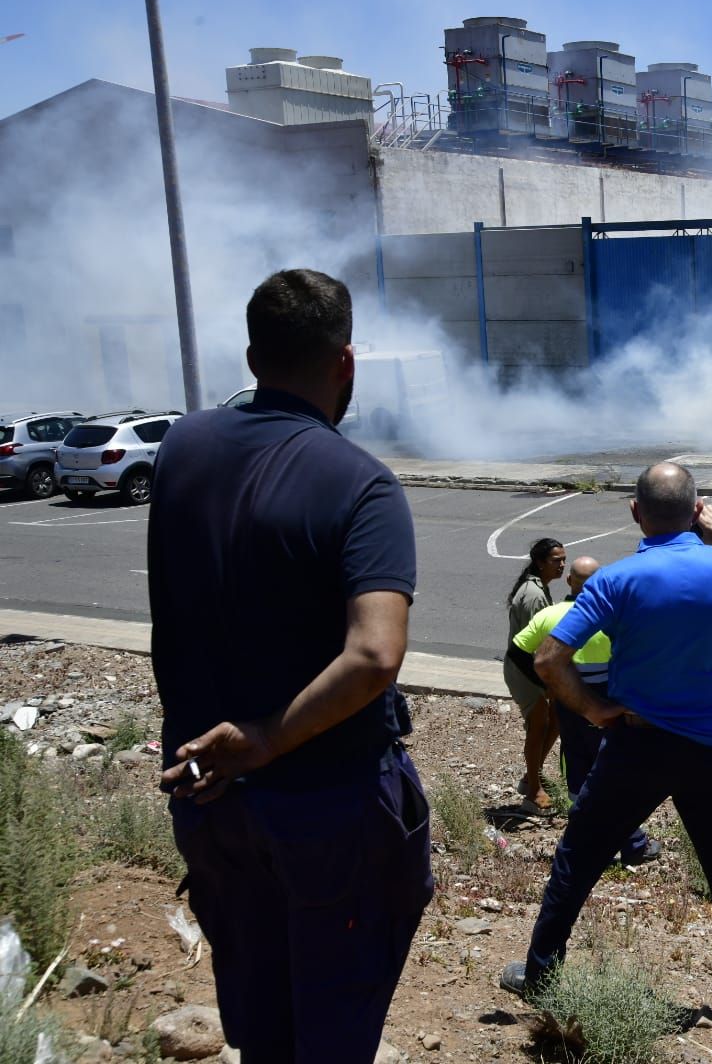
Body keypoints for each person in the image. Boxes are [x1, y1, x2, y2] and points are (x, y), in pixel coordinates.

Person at [148, 269, 433, 1061]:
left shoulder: (181, 446)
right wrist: (269, 736)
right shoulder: (361, 482)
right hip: (327, 805)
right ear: (346, 363)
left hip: (209, 798)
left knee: (259, 1012)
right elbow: (375, 653)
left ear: (251, 354)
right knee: (335, 1026)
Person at [501, 462, 712, 1036]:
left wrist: (592, 711)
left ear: (636, 513)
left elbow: (547, 661)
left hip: (637, 742)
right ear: (697, 510)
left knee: (581, 855)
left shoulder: (616, 581)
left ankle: (542, 975)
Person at [512, 555, 660, 864]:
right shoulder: (616, 617)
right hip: (609, 706)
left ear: (570, 581)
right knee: (616, 774)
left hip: (570, 707)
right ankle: (632, 842)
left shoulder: (550, 616)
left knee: (578, 771)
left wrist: (547, 685)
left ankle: (584, 843)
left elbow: (518, 652)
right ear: (601, 582)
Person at [504, 537, 565, 813]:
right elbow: (526, 647)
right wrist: (545, 681)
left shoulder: (539, 589)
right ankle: (532, 791)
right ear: (540, 563)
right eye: (556, 561)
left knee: (554, 720)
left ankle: (532, 776)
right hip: (524, 670)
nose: (562, 565)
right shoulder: (533, 594)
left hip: (534, 668)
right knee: (538, 724)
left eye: (564, 560)